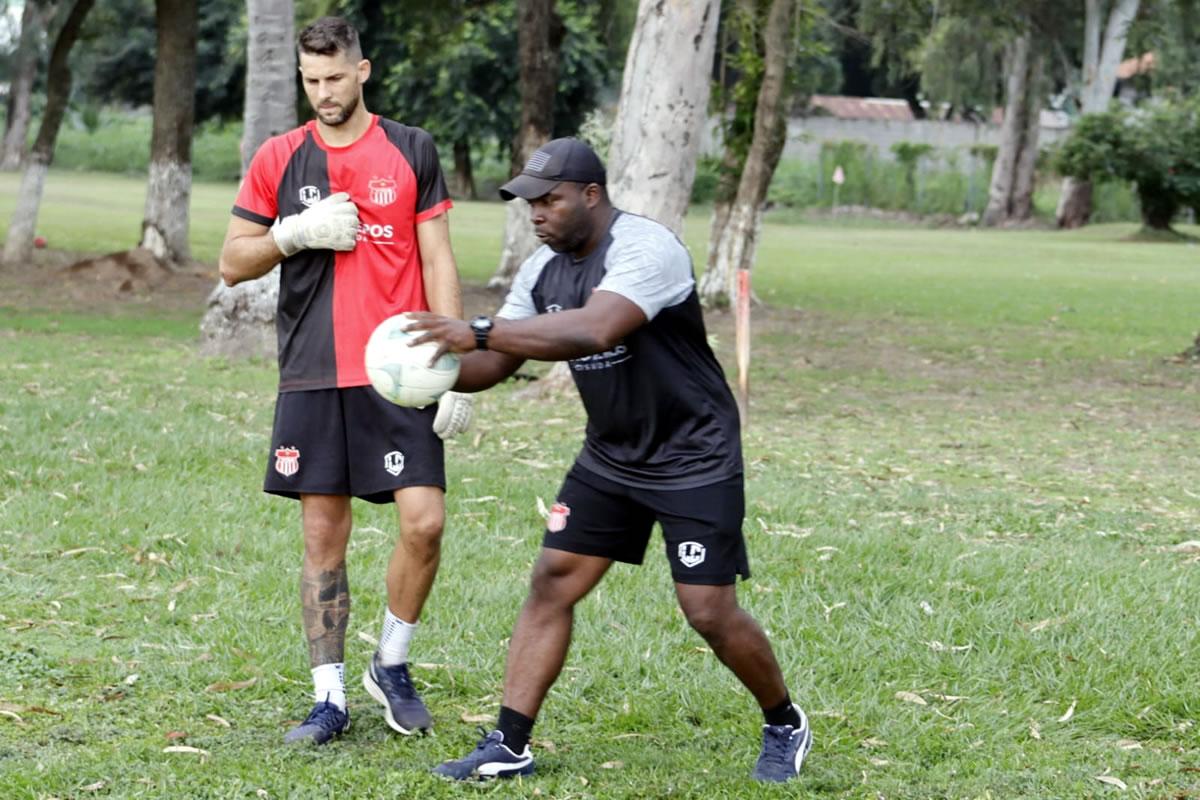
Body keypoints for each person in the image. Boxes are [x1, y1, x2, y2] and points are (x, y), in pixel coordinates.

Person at [406, 138, 812, 783]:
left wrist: (478, 330)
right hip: (611, 456)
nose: (535, 214)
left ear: (591, 196)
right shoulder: (542, 271)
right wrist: (424, 373)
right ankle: (510, 743)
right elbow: (496, 363)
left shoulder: (645, 248)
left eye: (549, 200)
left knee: (707, 610)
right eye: (528, 204)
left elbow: (596, 328)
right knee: (553, 581)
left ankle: (784, 720)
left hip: (693, 452)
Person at [217, 16, 474, 745]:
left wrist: (453, 365)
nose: (323, 93)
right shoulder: (280, 157)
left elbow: (440, 260)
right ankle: (328, 698)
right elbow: (232, 262)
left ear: (363, 70)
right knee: (323, 535)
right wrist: (291, 235)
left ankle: (390, 664)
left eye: (335, 78)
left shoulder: (411, 148)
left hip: (399, 371)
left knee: (424, 521)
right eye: (311, 80)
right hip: (312, 370)